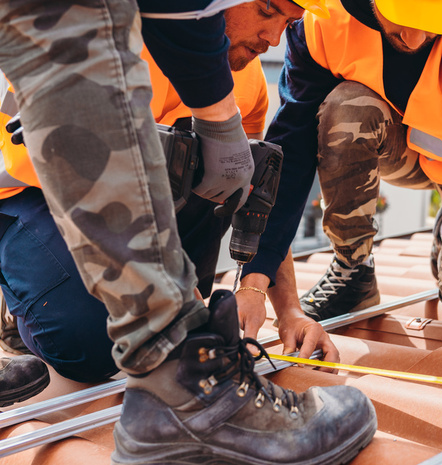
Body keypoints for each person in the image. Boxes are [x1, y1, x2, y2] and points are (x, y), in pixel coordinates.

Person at [0, 1, 376, 464]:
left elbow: (255, 198)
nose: (274, 39)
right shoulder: (115, 41)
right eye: (266, 11)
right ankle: (23, 308)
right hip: (31, 197)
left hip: (139, 217)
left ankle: (174, 359)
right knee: (88, 347)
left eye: (289, 25)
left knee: (218, 182)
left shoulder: (248, 82)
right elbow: (92, 169)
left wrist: (288, 310)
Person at [240, 0, 442, 390]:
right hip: (397, 149)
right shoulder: (323, 21)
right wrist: (255, 277)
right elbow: (290, 155)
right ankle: (353, 271)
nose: (415, 38)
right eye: (402, 22)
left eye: (433, 26)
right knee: (345, 107)